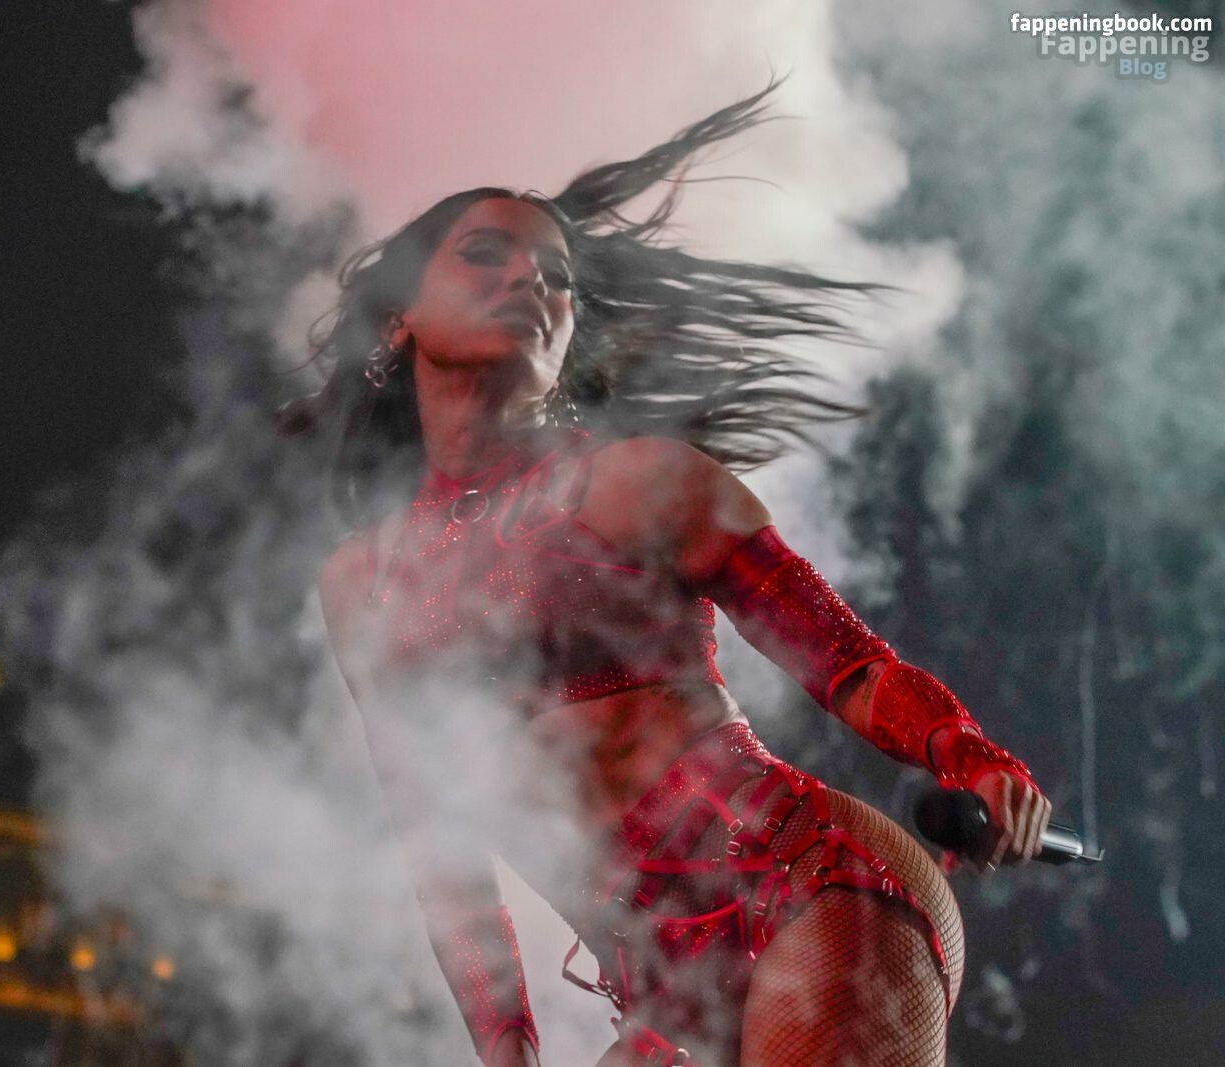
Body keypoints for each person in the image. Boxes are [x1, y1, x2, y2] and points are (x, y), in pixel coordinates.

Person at [287, 83, 1050, 1066]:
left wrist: (969, 755)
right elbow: (438, 843)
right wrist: (507, 1045)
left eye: (555, 276)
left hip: (811, 887)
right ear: (399, 317)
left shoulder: (640, 480)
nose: (527, 281)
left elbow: (850, 664)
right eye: (485, 253)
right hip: (661, 988)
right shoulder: (361, 582)